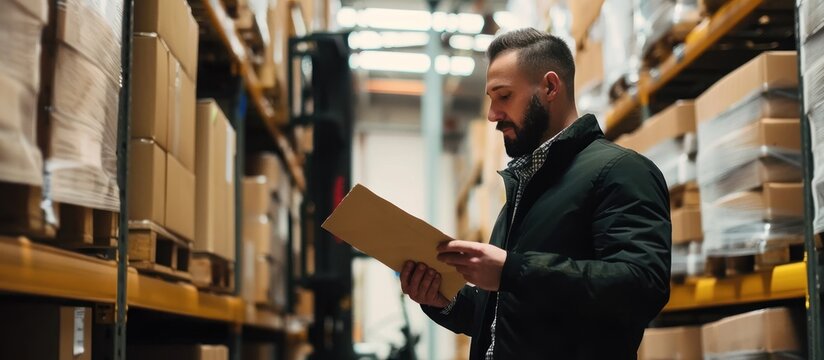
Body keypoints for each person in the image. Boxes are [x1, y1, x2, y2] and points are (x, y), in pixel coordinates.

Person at [399, 28, 671, 359]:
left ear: (550, 87)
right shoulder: (527, 186)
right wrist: (445, 301)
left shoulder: (621, 171)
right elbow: (517, 319)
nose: (492, 115)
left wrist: (511, 271)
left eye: (504, 96)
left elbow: (641, 287)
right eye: (490, 99)